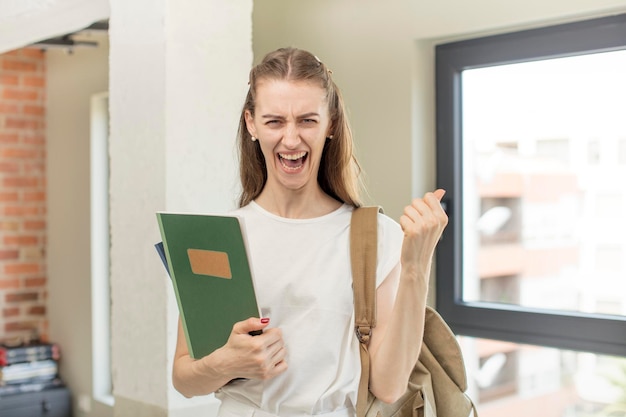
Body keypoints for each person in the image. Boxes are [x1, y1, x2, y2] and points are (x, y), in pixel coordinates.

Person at [172, 47, 448, 417]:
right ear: (251, 124)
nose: (290, 140)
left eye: (307, 120)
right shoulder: (216, 239)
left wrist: (416, 268)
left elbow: (389, 385)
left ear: (331, 123)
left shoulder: (374, 237)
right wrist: (225, 364)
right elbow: (184, 378)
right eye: (274, 122)